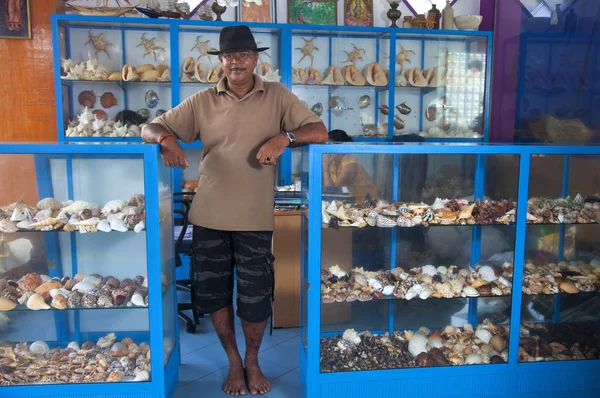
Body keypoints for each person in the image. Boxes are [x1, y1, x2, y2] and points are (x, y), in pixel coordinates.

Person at [141, 25, 327, 396]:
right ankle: (232, 361)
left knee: (255, 297)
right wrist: (166, 139)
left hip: (256, 220)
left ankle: (253, 360)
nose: (236, 61)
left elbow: (319, 131)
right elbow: (150, 125)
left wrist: (284, 137)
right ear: (221, 61)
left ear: (256, 59)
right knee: (212, 294)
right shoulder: (203, 100)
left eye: (243, 54)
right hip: (208, 216)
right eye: (229, 55)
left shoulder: (276, 95)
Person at [323, 129, 379, 203]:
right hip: (350, 202)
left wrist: (325, 168)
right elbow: (328, 189)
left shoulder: (350, 165)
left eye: (328, 146)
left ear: (338, 147)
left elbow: (333, 194)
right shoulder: (334, 164)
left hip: (366, 204)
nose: (325, 150)